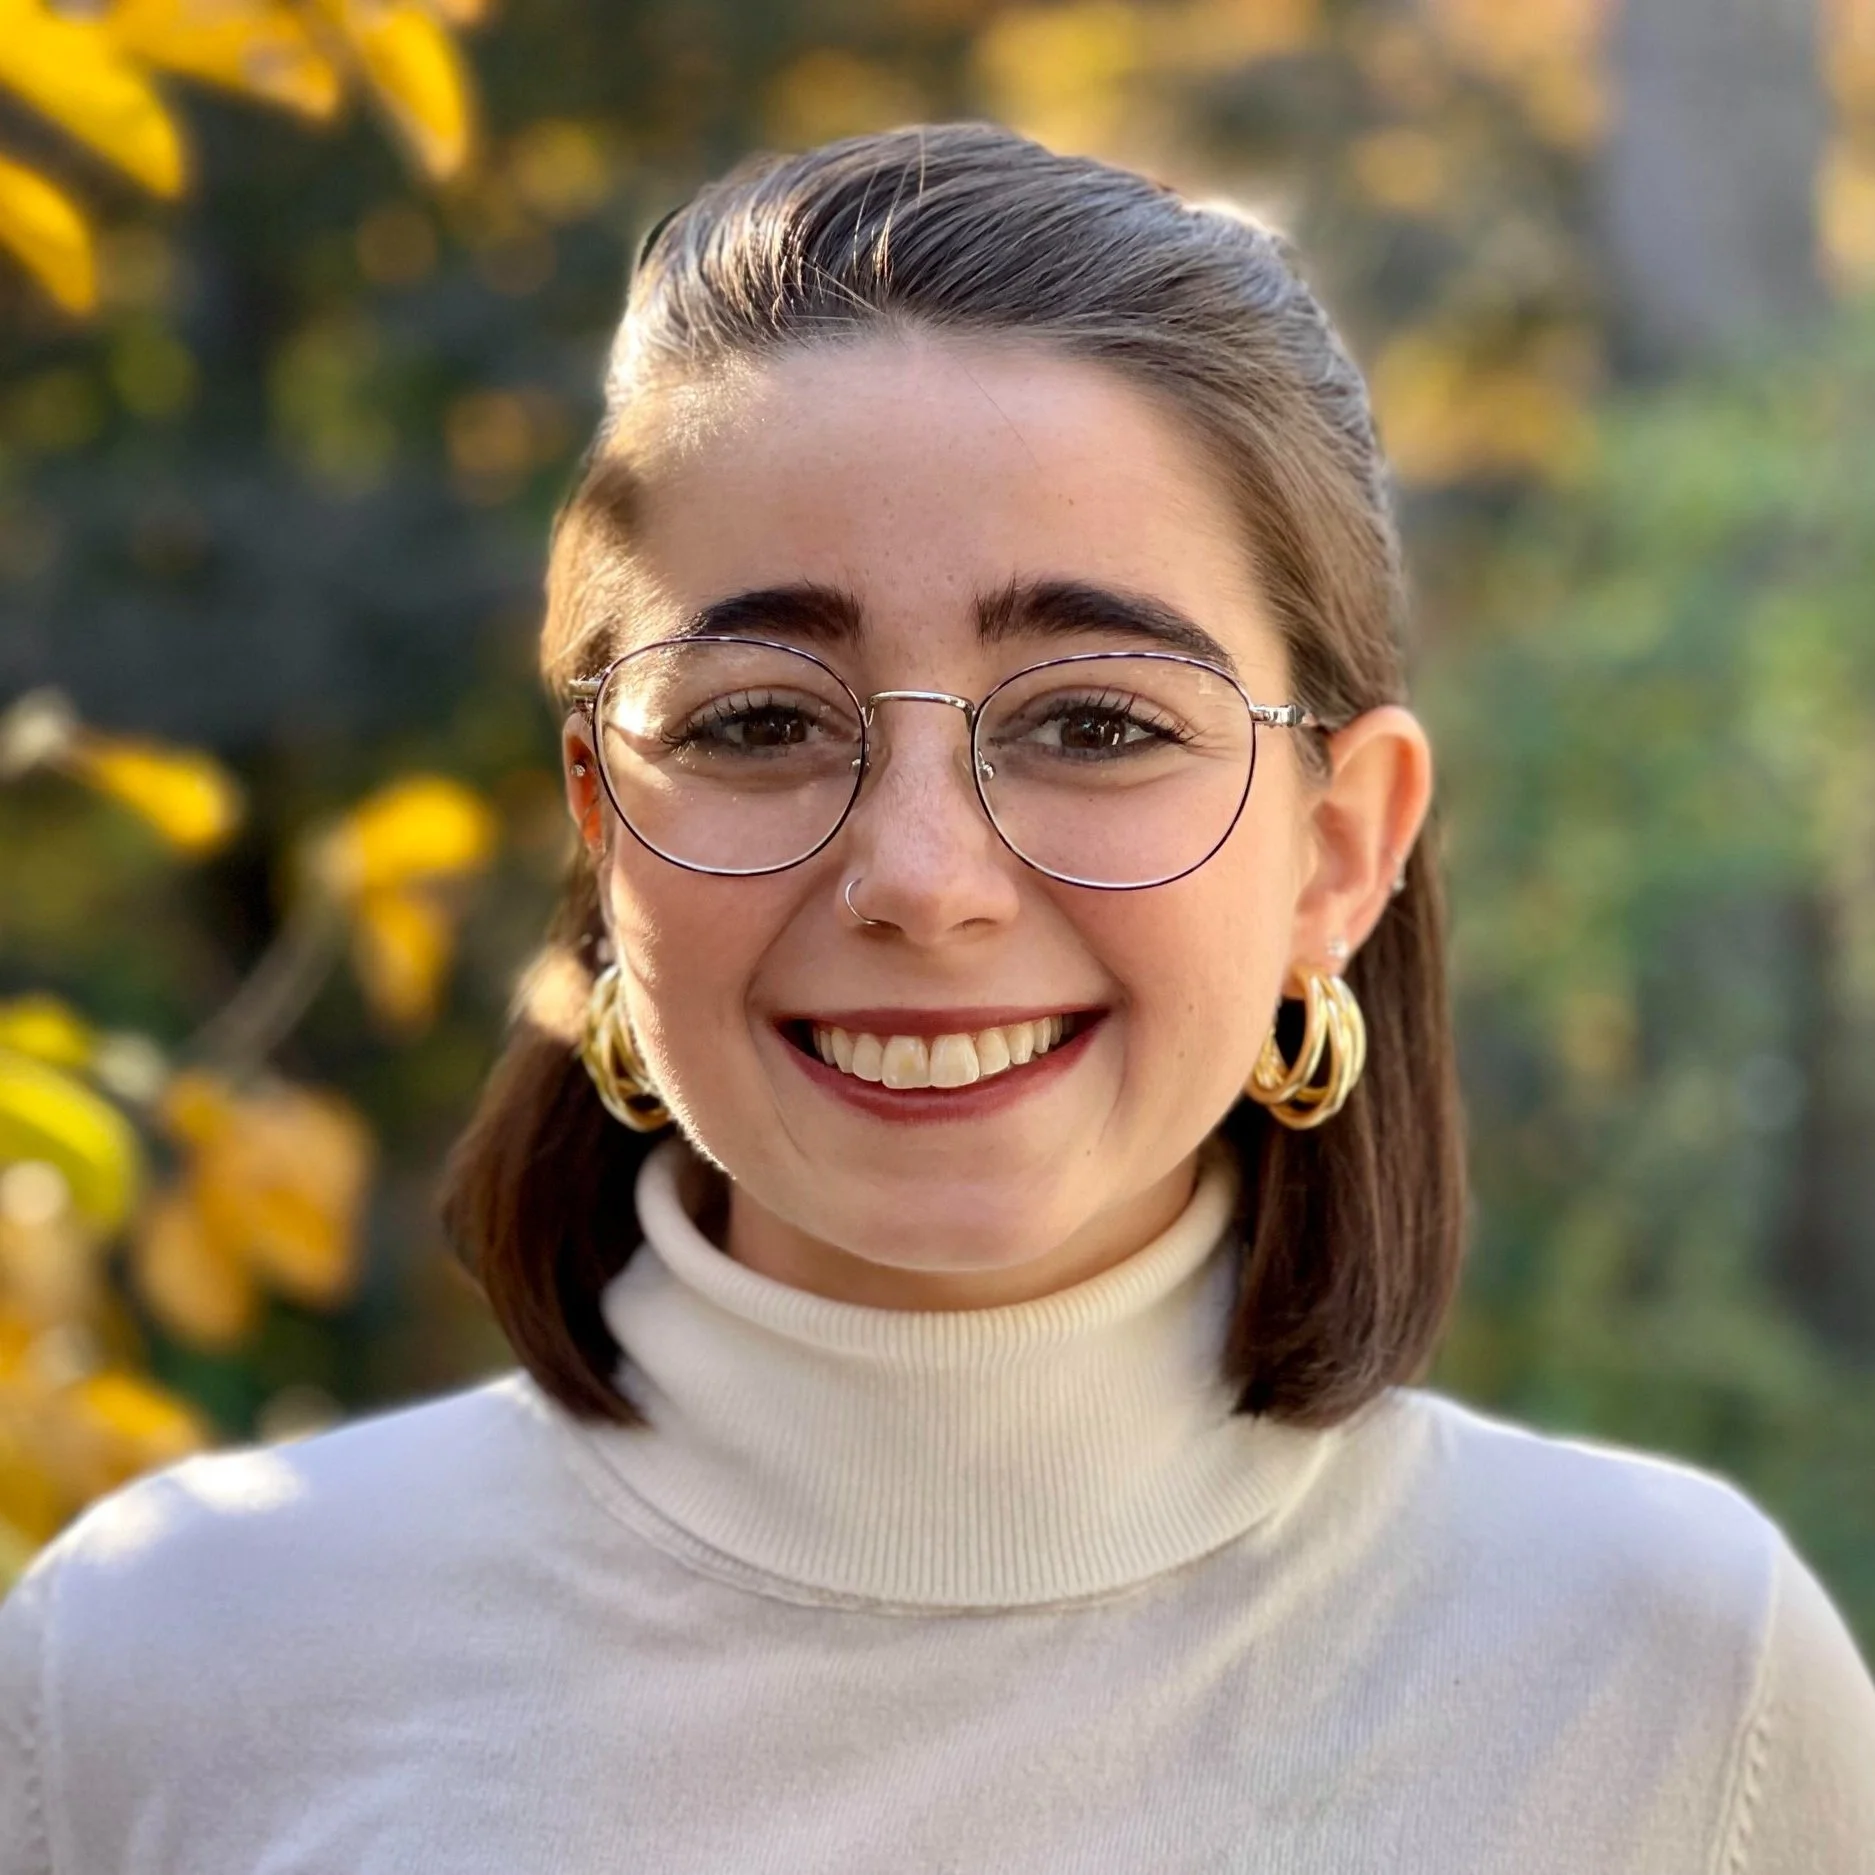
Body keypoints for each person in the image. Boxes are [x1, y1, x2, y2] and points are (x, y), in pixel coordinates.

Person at [2, 122, 1871, 1874]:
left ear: (1337, 844)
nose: (918, 877)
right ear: (603, 822)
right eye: (757, 723)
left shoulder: (1667, 1684)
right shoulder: (166, 1661)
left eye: (1093, 723)